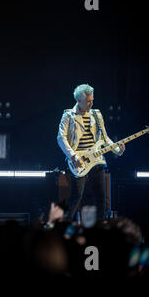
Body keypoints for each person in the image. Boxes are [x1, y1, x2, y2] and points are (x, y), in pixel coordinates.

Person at [57, 84, 125, 221]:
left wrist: (118, 149)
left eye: (92, 100)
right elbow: (60, 138)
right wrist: (73, 156)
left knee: (101, 197)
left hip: (96, 160)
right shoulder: (68, 115)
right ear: (79, 100)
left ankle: (99, 227)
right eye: (88, 101)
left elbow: (105, 138)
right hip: (79, 160)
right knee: (76, 197)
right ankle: (64, 227)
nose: (91, 103)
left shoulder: (96, 114)